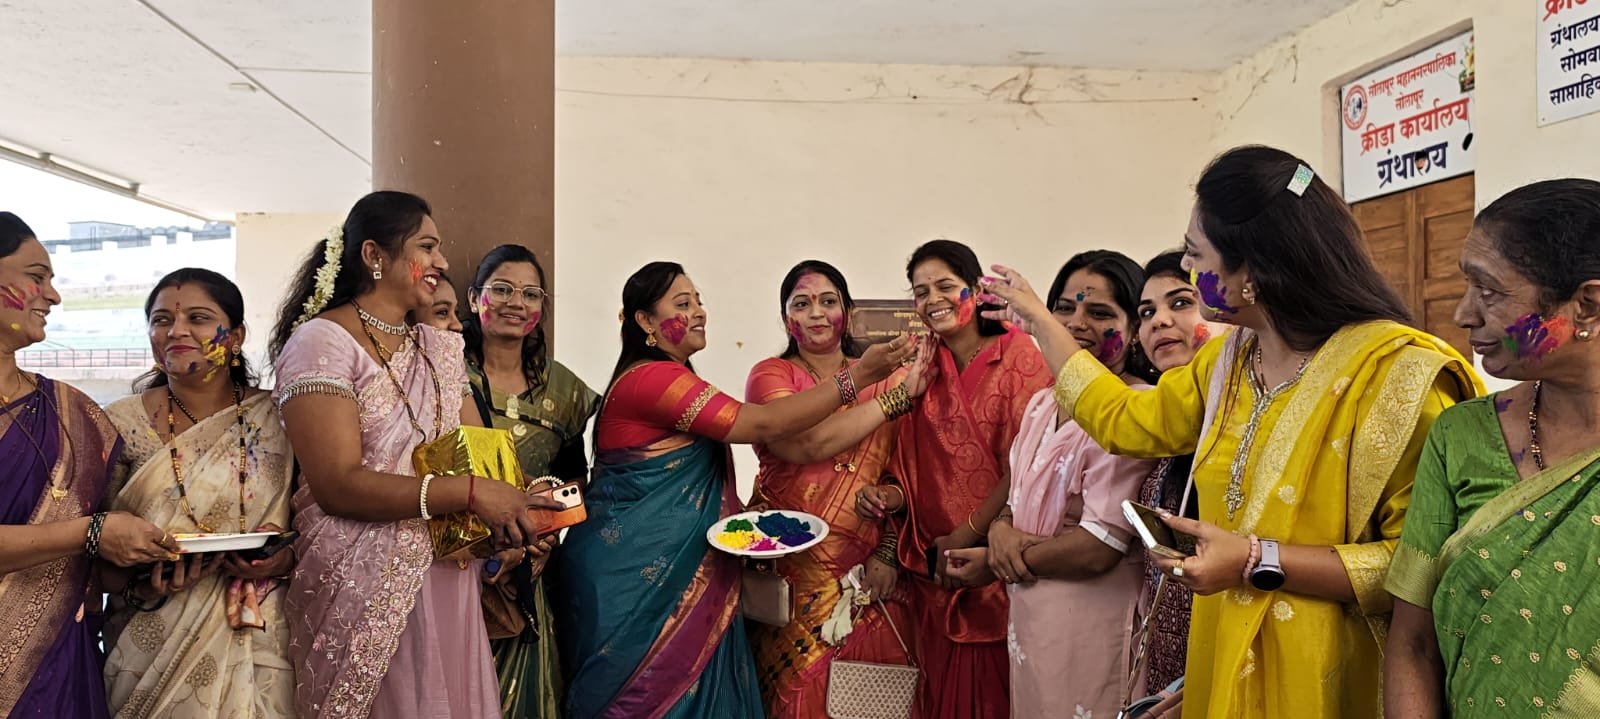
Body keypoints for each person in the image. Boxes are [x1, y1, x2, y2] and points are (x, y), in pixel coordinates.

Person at [979, 146, 1481, 719]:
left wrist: (1253, 559)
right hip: (1224, 658)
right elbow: (1125, 422)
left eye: (1196, 255)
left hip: (1331, 678)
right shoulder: (1228, 361)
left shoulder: (1400, 378)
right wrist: (1039, 322)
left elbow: (1422, 566)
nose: (1186, 267)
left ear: (1254, 271)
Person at [552, 261, 913, 719]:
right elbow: (764, 426)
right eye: (683, 304)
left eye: (698, 301)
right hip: (643, 584)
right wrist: (858, 379)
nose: (699, 312)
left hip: (706, 576)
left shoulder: (675, 377)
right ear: (644, 321)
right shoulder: (653, 379)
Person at [268, 191, 559, 718]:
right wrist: (473, 493)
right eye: (427, 246)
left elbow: (477, 456)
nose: (442, 262)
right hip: (360, 582)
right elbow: (337, 485)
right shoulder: (322, 342)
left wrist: (521, 506)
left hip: (447, 569)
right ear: (374, 255)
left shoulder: (438, 348)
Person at [1385, 179, 1600, 717]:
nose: (1463, 314)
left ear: (1588, 305)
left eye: (1490, 291)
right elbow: (1413, 643)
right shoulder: (1461, 436)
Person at [942, 250, 1162, 717]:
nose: (1076, 323)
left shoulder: (1134, 410)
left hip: (1093, 628)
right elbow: (1018, 493)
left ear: (1134, 329)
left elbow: (1099, 547)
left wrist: (1001, 560)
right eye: (1064, 308)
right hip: (1032, 625)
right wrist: (1000, 528)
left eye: (1099, 313)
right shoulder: (1044, 403)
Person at [857, 239, 1052, 719]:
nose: (933, 300)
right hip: (933, 572)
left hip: (993, 565)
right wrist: (889, 497)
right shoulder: (925, 366)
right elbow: (910, 464)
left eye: (945, 286)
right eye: (920, 292)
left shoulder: (1019, 354)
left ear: (976, 289)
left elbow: (1026, 465)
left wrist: (968, 534)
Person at [0, 212, 178, 718]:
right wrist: (92, 532)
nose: (53, 296)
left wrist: (144, 570)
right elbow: (89, 531)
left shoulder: (72, 412)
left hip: (60, 667)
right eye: (36, 277)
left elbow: (93, 560)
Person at [101, 268, 297, 718]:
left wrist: (285, 559)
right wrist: (139, 584)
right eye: (161, 319)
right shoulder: (117, 423)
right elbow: (92, 545)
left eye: (198, 317)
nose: (176, 330)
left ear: (236, 336)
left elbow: (318, 525)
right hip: (148, 641)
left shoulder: (281, 416)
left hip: (262, 633)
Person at [745, 260, 930, 718]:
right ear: (785, 317)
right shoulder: (772, 376)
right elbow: (807, 443)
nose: (816, 313)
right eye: (801, 304)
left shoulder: (890, 378)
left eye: (828, 302)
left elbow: (909, 474)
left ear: (847, 312)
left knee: (868, 701)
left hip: (867, 573)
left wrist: (888, 551)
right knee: (791, 700)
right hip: (790, 574)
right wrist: (886, 393)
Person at [460, 244, 599, 718]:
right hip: (455, 560)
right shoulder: (445, 377)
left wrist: (546, 535)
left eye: (530, 293)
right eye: (501, 289)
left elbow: (577, 478)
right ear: (474, 297)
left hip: (530, 568)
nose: (515, 303)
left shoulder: (564, 390)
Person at [1127, 250, 1228, 699]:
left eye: (1181, 303)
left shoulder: (1241, 418)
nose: (1159, 321)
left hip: (1228, 657)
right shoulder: (1153, 423)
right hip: (1164, 660)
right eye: (1146, 312)